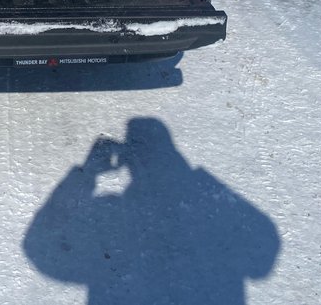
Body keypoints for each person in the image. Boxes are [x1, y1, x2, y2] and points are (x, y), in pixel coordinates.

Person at [24, 118, 280, 304]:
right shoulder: (206, 200)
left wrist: (86, 174)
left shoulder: (108, 210)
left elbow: (38, 247)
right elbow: (262, 256)